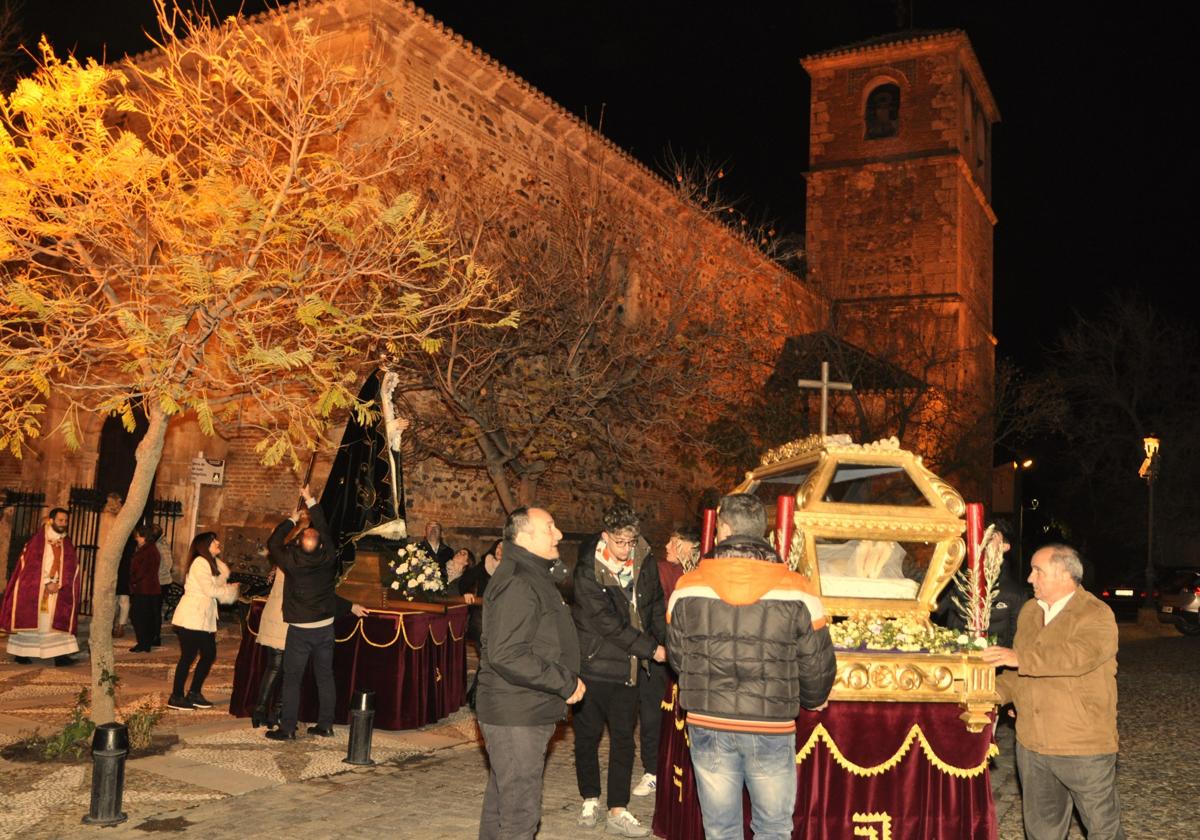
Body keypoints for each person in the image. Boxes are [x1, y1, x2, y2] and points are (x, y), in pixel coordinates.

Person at [667, 493, 836, 840]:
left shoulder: (687, 587)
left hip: (709, 719)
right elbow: (816, 661)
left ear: (723, 529)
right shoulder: (798, 590)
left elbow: (677, 657)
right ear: (765, 534)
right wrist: (814, 697)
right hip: (770, 724)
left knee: (719, 827)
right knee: (773, 828)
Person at [982, 544, 1124, 840]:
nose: (1030, 578)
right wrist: (984, 694)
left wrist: (1018, 658)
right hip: (1032, 745)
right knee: (1042, 832)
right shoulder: (1030, 611)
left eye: (1037, 571)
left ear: (1063, 574)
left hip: (1082, 745)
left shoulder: (1096, 613)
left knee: (1103, 831)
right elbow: (1016, 674)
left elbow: (1076, 657)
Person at [476, 507, 584, 840]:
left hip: (522, 709)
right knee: (520, 814)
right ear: (524, 537)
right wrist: (564, 681)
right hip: (516, 713)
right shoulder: (519, 581)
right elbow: (507, 653)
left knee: (503, 803)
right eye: (550, 527)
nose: (559, 534)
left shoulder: (532, 573)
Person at [571, 501, 664, 837]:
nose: (626, 550)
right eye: (620, 542)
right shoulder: (587, 570)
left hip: (629, 668)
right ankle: (590, 798)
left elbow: (654, 606)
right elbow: (608, 624)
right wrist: (652, 649)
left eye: (631, 542)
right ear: (605, 536)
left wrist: (663, 642)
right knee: (587, 737)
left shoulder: (644, 559)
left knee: (624, 740)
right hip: (594, 666)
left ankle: (617, 808)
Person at [265, 485, 366, 741]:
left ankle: (288, 729)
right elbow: (324, 528)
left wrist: (292, 519)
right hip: (324, 628)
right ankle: (326, 725)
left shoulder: (291, 561)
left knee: (292, 679)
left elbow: (274, 541)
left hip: (300, 630)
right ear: (321, 544)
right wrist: (311, 501)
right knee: (325, 677)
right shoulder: (328, 557)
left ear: (298, 543)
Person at [631, 525, 701, 800]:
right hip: (659, 654)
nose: (668, 547)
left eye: (675, 542)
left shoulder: (704, 571)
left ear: (692, 546)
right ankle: (652, 771)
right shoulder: (659, 570)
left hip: (691, 658)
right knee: (651, 714)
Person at [1, 507, 81, 666]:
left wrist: (61, 583)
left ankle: (60, 655)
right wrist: (46, 582)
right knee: (33, 622)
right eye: (60, 520)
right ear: (51, 520)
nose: (63, 524)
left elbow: (72, 567)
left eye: (66, 521)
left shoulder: (66, 541)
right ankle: (22, 653)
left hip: (58, 589)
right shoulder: (37, 541)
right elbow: (32, 566)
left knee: (55, 623)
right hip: (38, 588)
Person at [169, 532, 240, 709]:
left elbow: (215, 587)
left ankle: (194, 692)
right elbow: (210, 590)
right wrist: (229, 591)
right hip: (192, 616)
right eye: (213, 540)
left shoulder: (213, 564)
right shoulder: (200, 562)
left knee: (208, 654)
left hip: (203, 617)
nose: (218, 542)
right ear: (204, 545)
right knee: (188, 656)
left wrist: (227, 587)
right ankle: (176, 696)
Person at [935, 517, 1028, 647]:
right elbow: (932, 611)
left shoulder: (1016, 592)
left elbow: (1016, 641)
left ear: (1005, 547)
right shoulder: (958, 581)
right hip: (958, 656)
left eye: (988, 539)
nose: (981, 543)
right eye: (978, 538)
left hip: (994, 662)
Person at [127, 524, 162, 653]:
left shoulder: (148, 550)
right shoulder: (149, 549)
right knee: (144, 617)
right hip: (148, 588)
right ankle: (145, 643)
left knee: (139, 617)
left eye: (137, 536)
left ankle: (144, 643)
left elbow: (143, 571)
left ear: (144, 537)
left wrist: (133, 580)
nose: (136, 539)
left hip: (145, 589)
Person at [152, 524, 174, 647]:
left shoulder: (161, 545)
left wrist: (155, 574)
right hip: (158, 581)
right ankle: (154, 635)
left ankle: (156, 636)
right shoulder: (157, 544)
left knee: (156, 610)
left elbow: (168, 564)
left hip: (161, 582)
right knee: (154, 610)